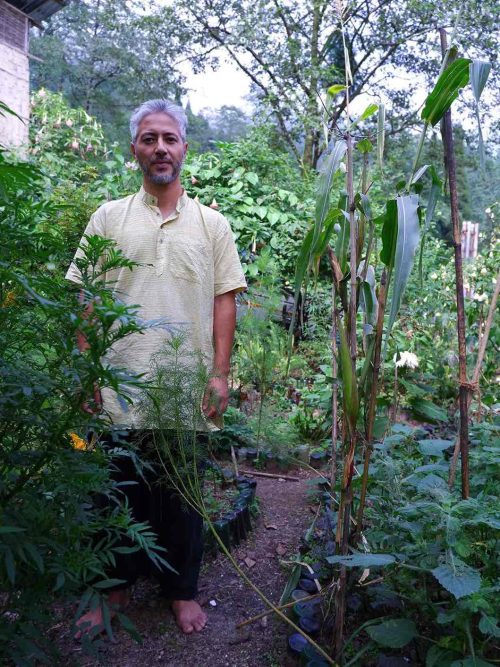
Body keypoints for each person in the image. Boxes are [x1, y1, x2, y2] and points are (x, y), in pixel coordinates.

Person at [66, 99, 247, 636]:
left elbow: (224, 301)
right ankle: (113, 587)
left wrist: (219, 374)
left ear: (185, 148)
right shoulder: (108, 217)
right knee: (115, 492)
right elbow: (87, 300)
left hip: (183, 388)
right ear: (134, 150)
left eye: (170, 138)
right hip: (118, 383)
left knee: (181, 498)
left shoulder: (212, 225)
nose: (160, 148)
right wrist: (85, 370)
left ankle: (181, 592)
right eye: (150, 139)